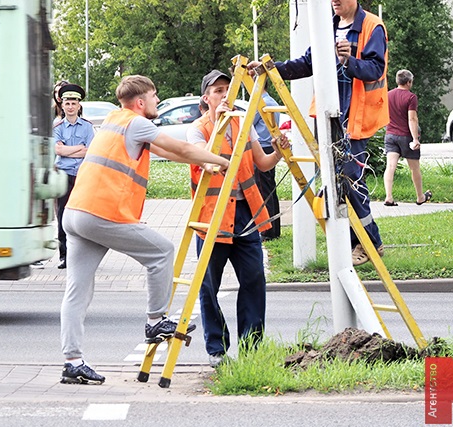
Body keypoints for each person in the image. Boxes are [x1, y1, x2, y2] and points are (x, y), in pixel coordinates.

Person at [59, 75, 231, 385]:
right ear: (141, 102)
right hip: (101, 213)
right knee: (162, 252)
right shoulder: (136, 124)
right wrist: (221, 161)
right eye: (154, 97)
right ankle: (156, 321)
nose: (156, 102)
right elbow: (180, 146)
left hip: (75, 213)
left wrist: (206, 163)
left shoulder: (114, 119)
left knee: (78, 290)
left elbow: (169, 152)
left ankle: (73, 362)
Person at [253, 0, 388, 267]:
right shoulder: (328, 26)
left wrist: (349, 61)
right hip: (328, 116)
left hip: (356, 115)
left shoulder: (372, 26)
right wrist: (272, 70)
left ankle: (370, 242)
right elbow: (307, 63)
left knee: (351, 179)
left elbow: (375, 69)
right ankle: (353, 241)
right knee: (333, 180)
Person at [189, 70, 290, 367]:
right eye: (218, 90)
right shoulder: (198, 129)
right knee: (209, 287)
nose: (224, 95)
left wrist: (280, 152)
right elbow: (204, 160)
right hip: (213, 218)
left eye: (228, 90)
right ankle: (216, 349)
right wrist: (219, 125)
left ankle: (251, 349)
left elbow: (263, 162)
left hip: (245, 216)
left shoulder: (243, 125)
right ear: (206, 99)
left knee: (254, 281)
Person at [53, 83, 95, 269]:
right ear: (62, 105)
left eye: (74, 103)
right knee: (63, 215)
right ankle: (64, 255)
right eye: (67, 103)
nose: (70, 106)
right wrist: (79, 148)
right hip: (64, 175)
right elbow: (57, 149)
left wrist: (68, 150)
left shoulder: (87, 127)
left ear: (79, 105)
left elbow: (91, 151)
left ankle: (82, 254)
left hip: (82, 175)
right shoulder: (58, 126)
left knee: (82, 215)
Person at [383, 69, 432, 206]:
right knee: (414, 168)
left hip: (390, 135)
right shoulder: (411, 97)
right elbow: (412, 118)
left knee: (390, 166)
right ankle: (420, 197)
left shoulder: (388, 95)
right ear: (409, 82)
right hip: (406, 137)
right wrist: (415, 138)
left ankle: (389, 197)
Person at [251, 90, 283, 242]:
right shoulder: (271, 101)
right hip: (269, 147)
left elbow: (247, 124)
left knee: (264, 191)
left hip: (262, 148)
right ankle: (273, 230)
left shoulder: (261, 102)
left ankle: (268, 231)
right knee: (269, 189)